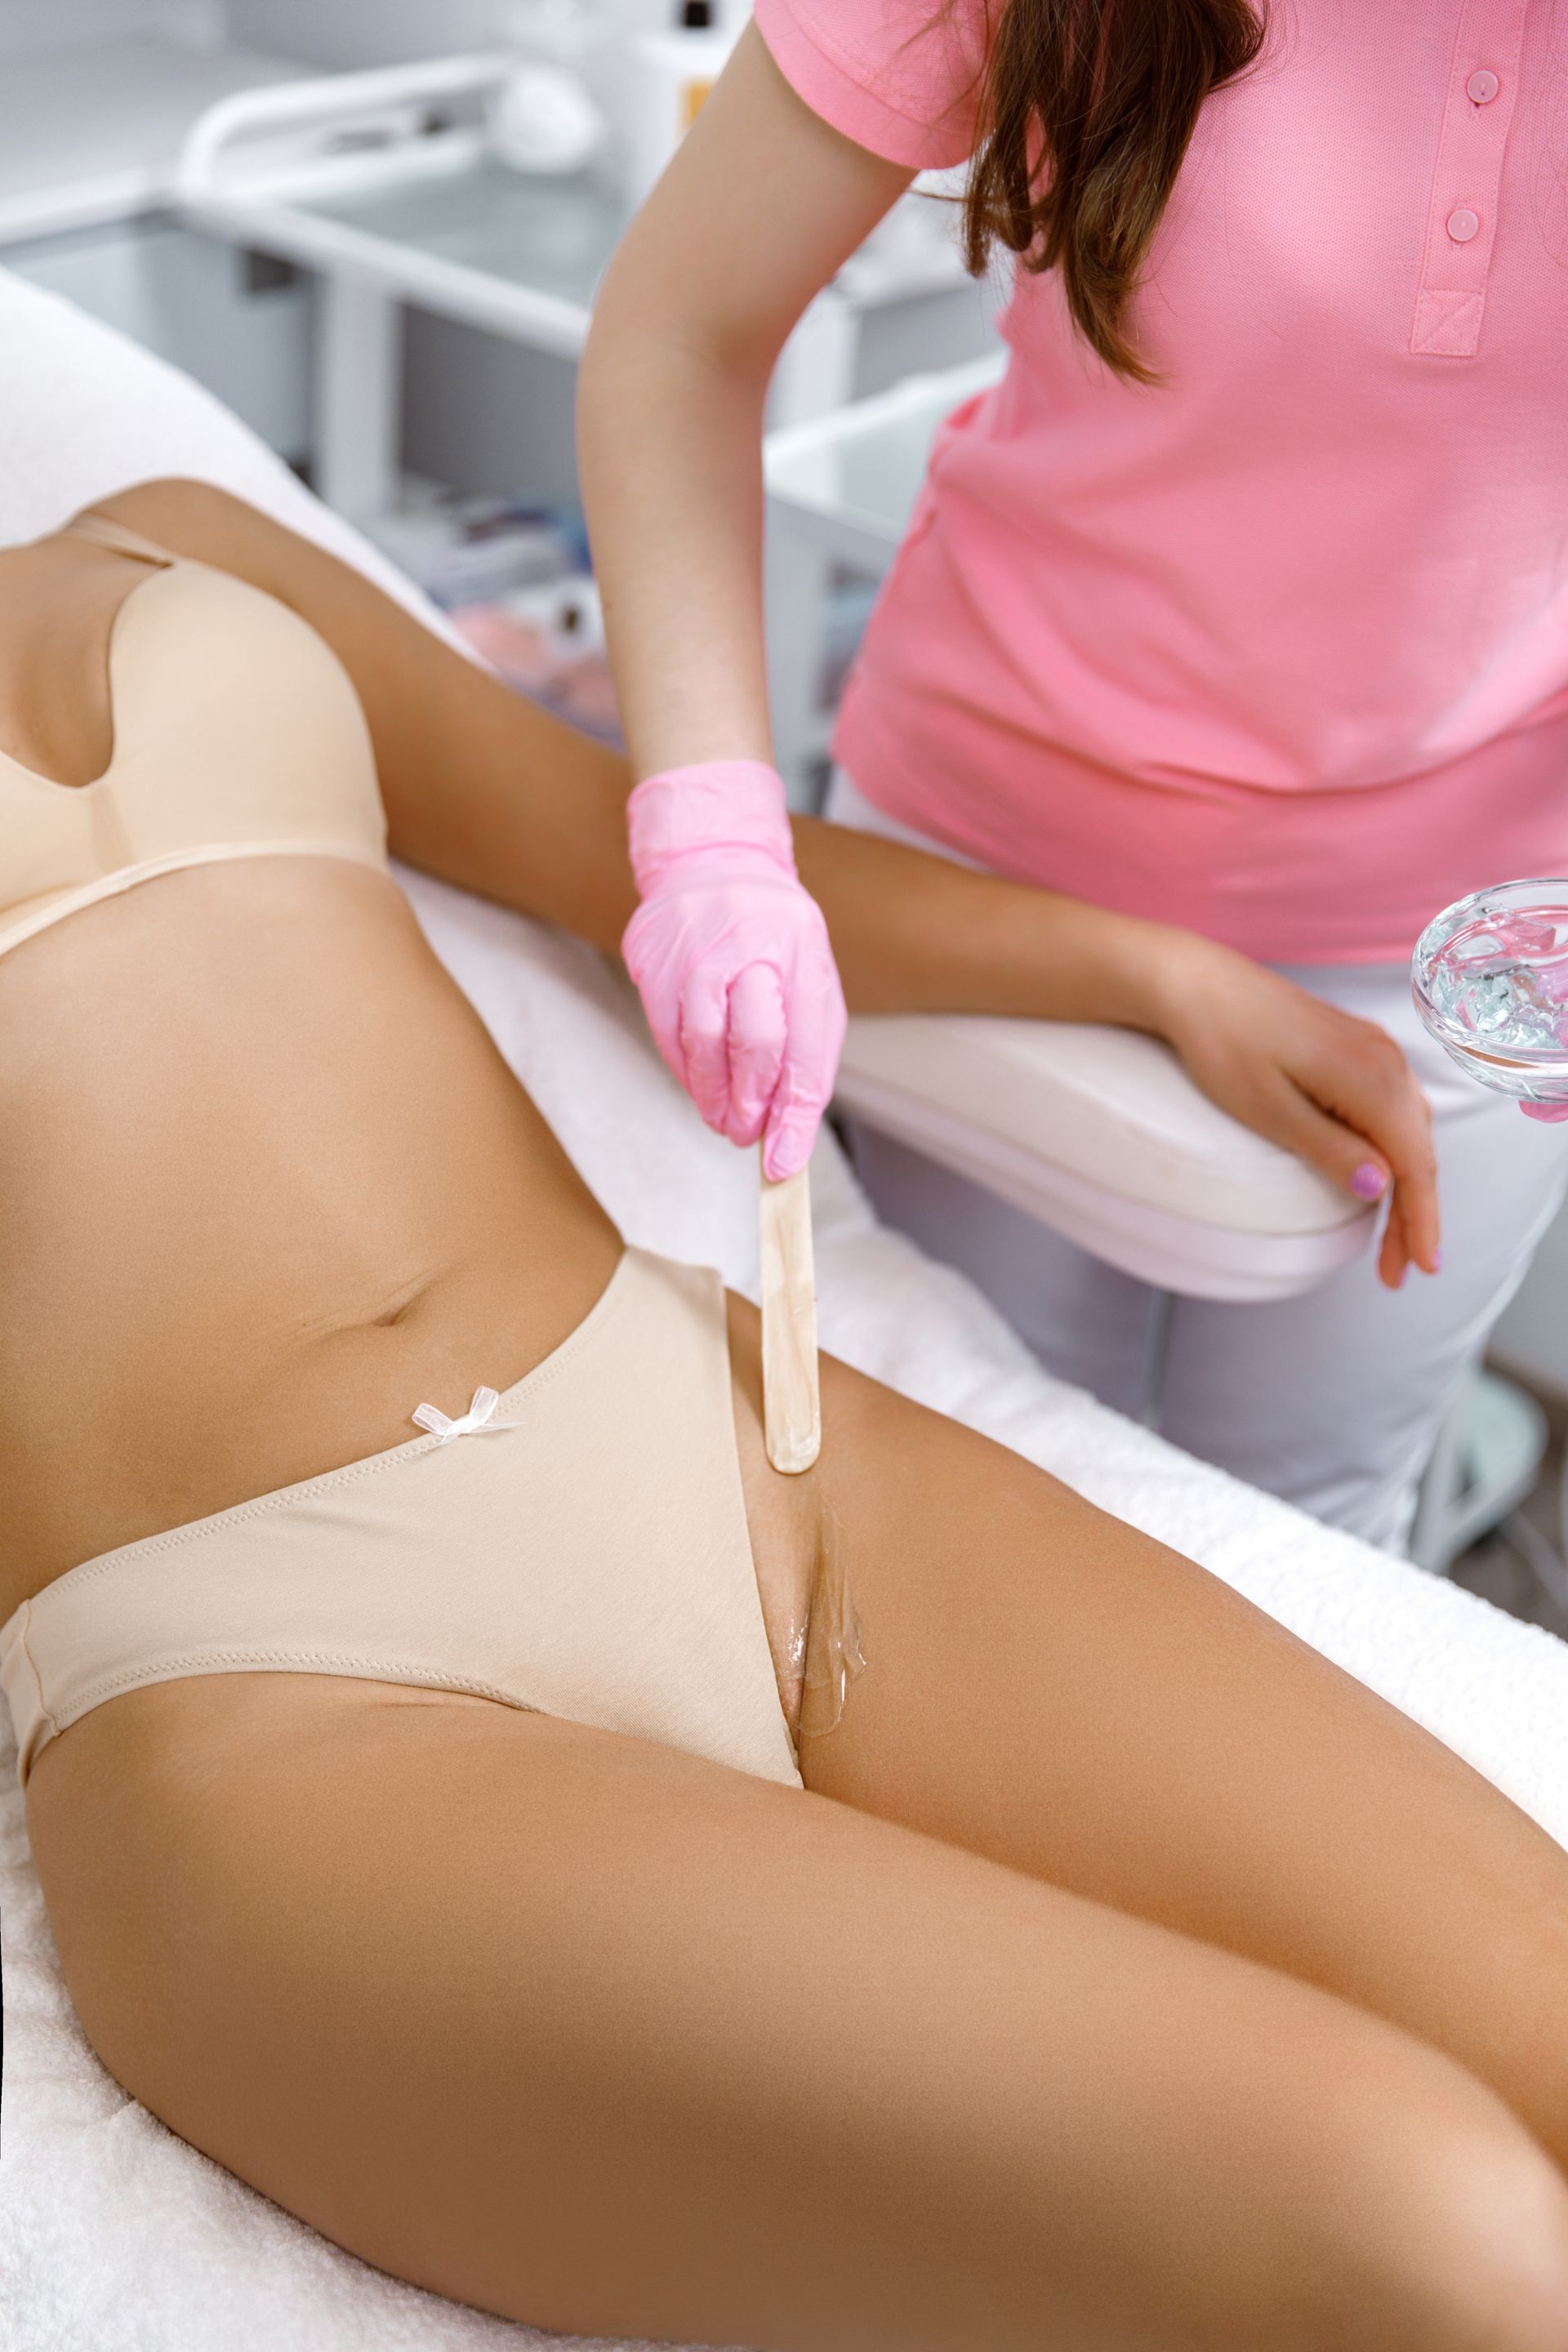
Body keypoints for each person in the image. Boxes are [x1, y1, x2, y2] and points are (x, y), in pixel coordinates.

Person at [6, 474, 1568, 2350]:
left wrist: (1149, 973)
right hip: (277, 1702)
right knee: (1428, 2221)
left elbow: (632, 855)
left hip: (736, 1450)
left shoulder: (175, 538)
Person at [577, 1, 1568, 1551]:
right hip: (995, 864)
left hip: (1481, 945)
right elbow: (677, 334)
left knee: (1311, 1545)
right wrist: (711, 846)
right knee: (979, 1503)